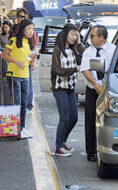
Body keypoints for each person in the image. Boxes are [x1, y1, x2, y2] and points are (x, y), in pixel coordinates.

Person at [80, 25, 116, 162]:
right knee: (90, 120)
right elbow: (85, 69)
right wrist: (95, 83)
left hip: (108, 89)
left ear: (101, 37)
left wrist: (105, 85)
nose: (90, 39)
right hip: (92, 89)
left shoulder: (113, 50)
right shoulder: (88, 52)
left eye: (92, 36)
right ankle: (91, 151)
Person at [51, 24, 84, 156]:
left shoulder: (74, 49)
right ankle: (58, 147)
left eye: (76, 35)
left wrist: (80, 43)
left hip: (71, 88)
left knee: (74, 117)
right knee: (64, 117)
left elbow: (83, 57)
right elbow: (57, 70)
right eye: (72, 34)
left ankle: (63, 141)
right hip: (60, 88)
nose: (74, 37)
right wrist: (74, 69)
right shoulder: (57, 50)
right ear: (65, 34)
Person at [2, 19, 37, 138]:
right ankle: (15, 128)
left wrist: (33, 62)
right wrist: (16, 62)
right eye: (29, 29)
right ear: (23, 29)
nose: (31, 31)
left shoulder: (29, 43)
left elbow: (32, 55)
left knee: (23, 104)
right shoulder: (13, 41)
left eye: (32, 29)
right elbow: (4, 55)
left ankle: (22, 128)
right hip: (14, 75)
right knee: (16, 102)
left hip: (25, 76)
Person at [16, 8, 37, 111]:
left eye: (24, 17)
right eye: (20, 16)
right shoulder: (14, 29)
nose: (22, 18)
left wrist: (33, 61)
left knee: (28, 84)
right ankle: (18, 106)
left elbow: (34, 47)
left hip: (26, 63)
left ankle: (28, 105)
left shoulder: (31, 30)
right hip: (15, 65)